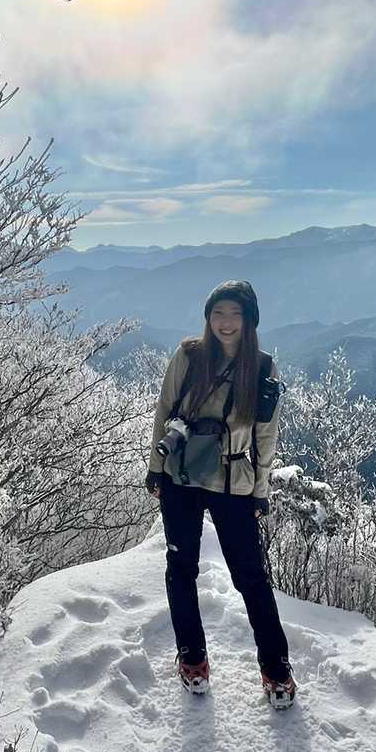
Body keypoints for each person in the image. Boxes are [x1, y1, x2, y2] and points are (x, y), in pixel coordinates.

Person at [145, 279, 297, 710]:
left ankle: (276, 667)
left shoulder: (262, 368)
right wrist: (155, 467)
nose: (225, 323)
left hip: (234, 480)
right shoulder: (189, 356)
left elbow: (265, 435)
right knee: (181, 568)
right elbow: (164, 409)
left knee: (251, 577)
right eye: (218, 313)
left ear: (249, 321)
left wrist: (261, 489)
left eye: (235, 314)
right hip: (181, 474)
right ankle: (192, 658)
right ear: (208, 318)